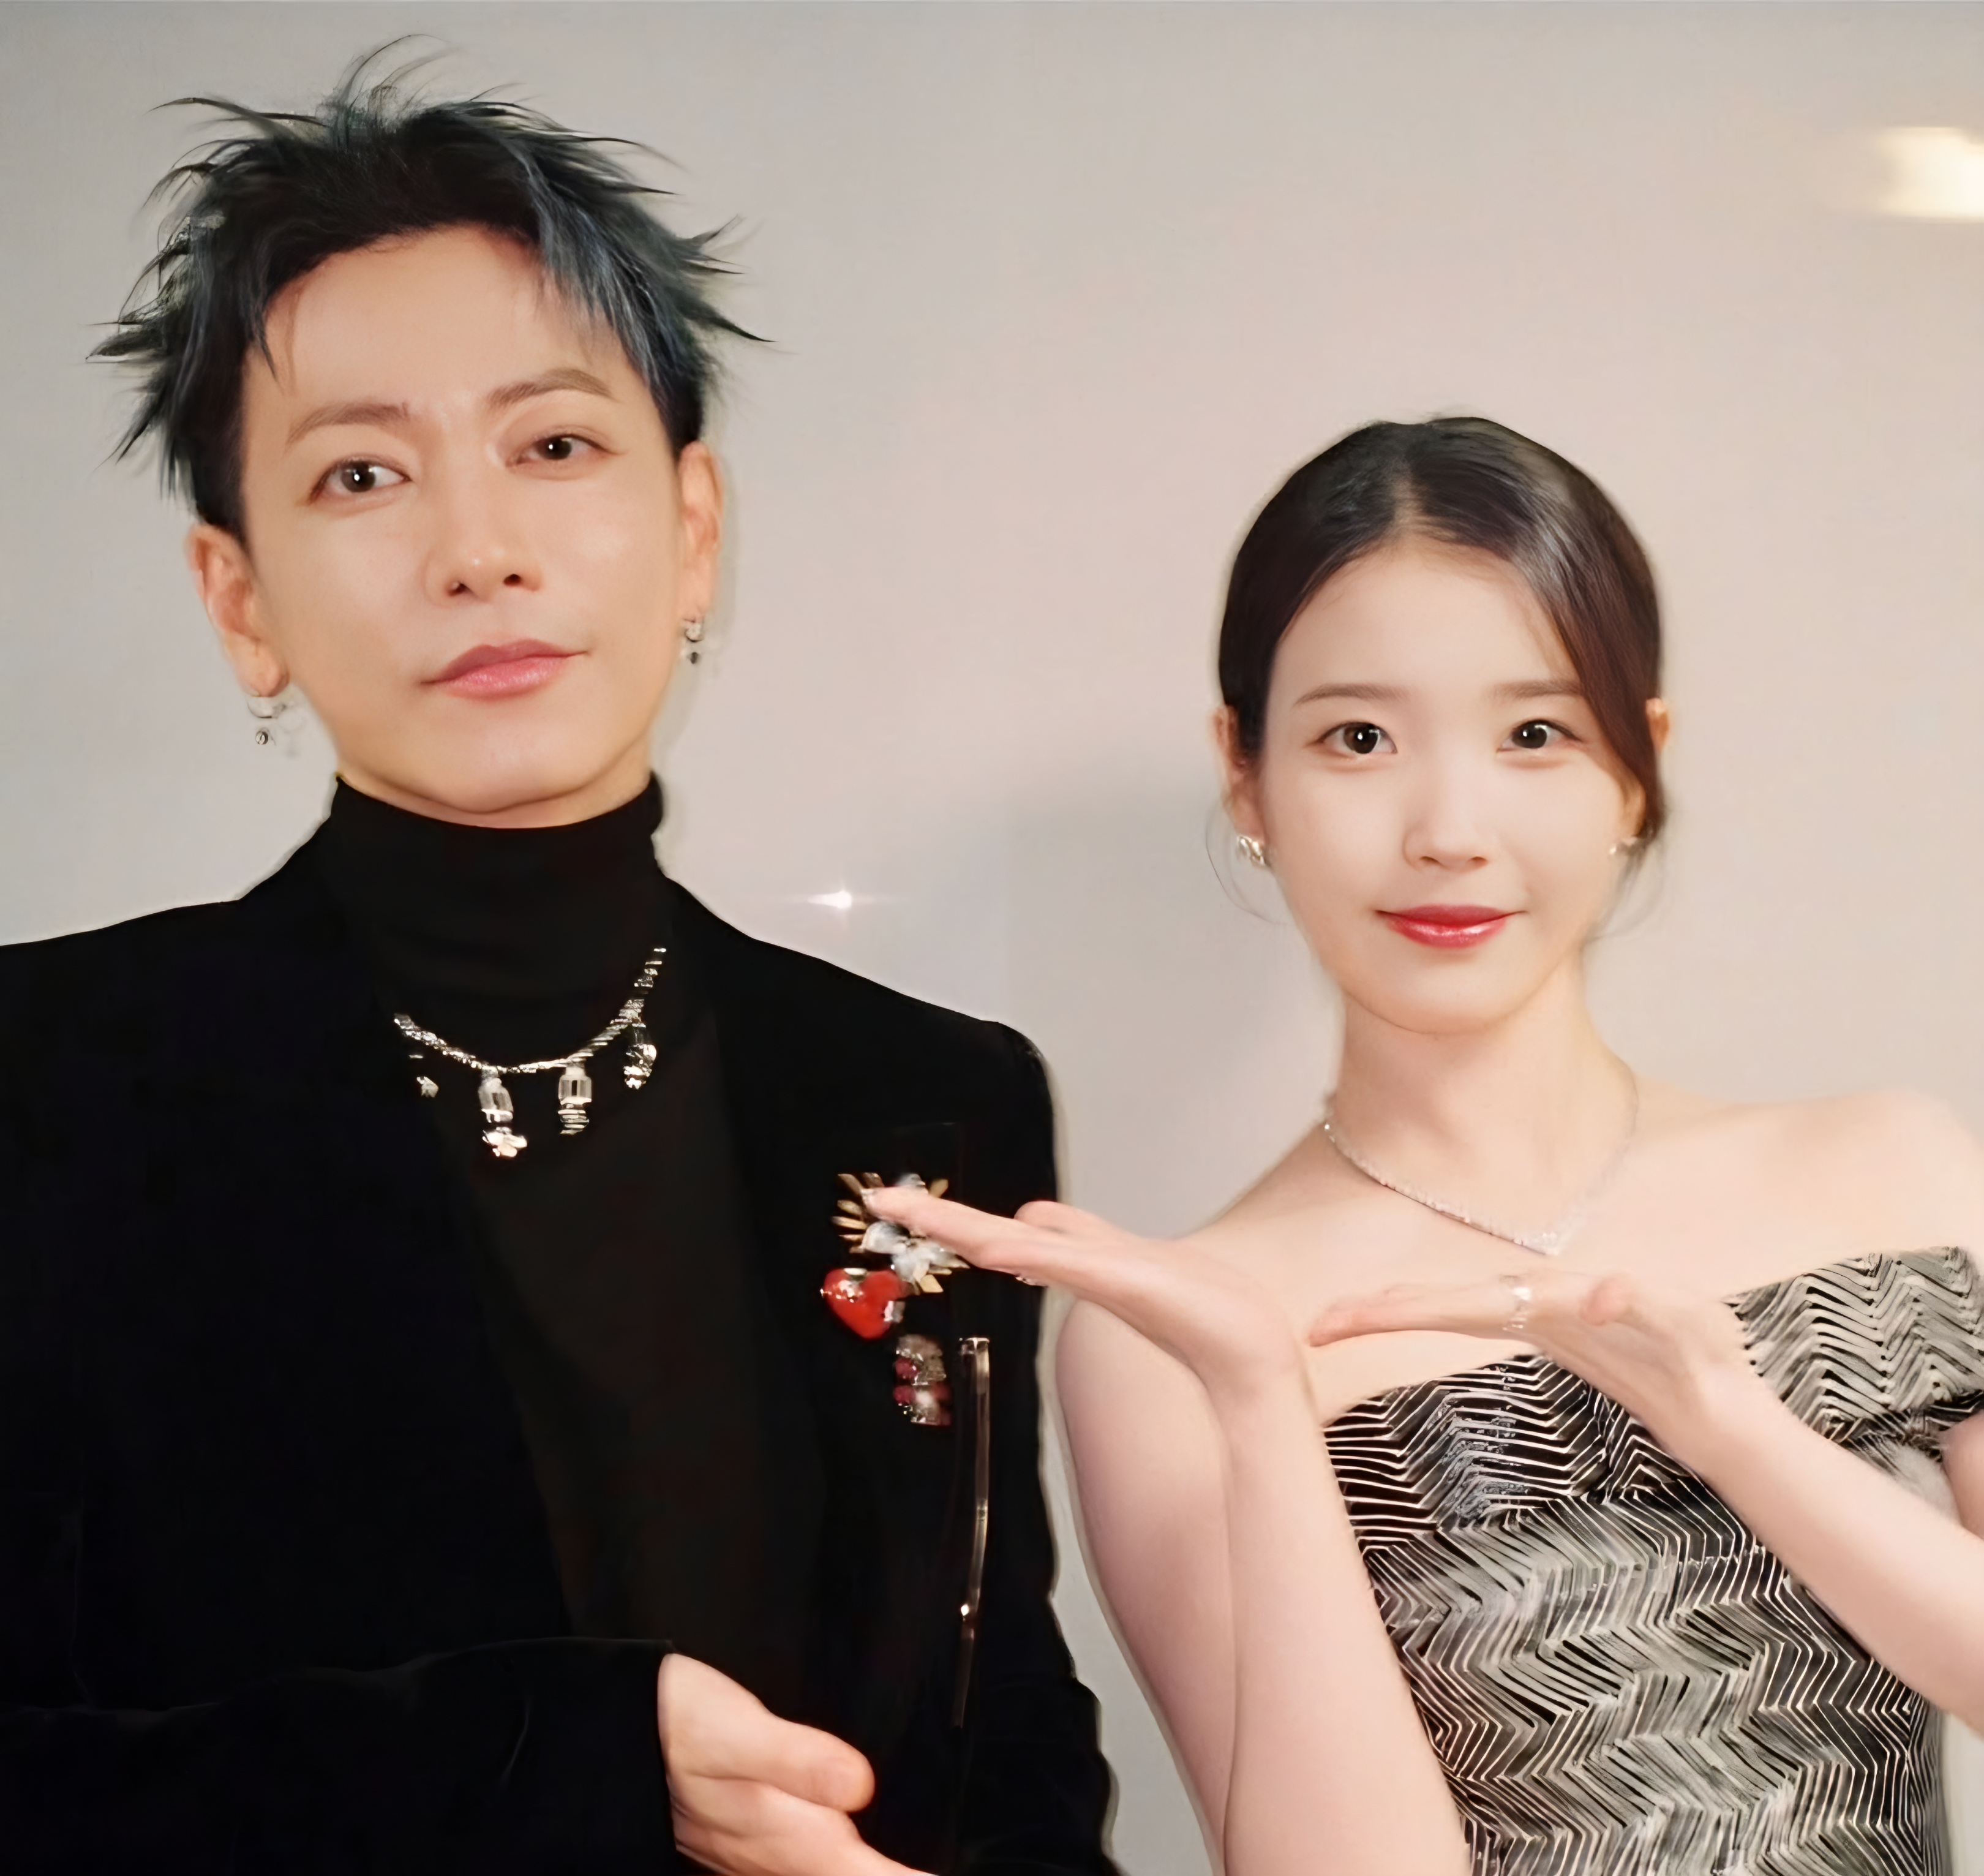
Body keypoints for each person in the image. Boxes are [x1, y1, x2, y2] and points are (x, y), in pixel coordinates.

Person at [0, 64, 1116, 1875]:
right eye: (361, 474)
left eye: (554, 446)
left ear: (693, 530)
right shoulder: (51, 1083)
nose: (479, 550)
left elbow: (1004, 1723)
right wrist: (545, 1759)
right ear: (241, 601)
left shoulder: (933, 1096)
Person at [869, 416, 1984, 1875]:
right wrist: (1265, 1401)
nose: (1449, 829)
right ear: (1246, 773)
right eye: (1358, 738)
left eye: (1535, 734)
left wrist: (1734, 1425)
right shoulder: (1166, 1339)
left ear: (1637, 768)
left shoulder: (1889, 1172)